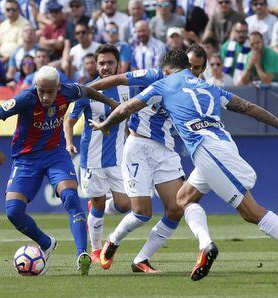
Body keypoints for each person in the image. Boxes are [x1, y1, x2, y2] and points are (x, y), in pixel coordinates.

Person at [89, 49, 278, 284]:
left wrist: (105, 124)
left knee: (251, 212)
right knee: (184, 199)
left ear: (167, 69)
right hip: (220, 144)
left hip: (208, 151)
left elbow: (126, 108)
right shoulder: (210, 87)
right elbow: (248, 107)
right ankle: (205, 246)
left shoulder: (164, 83)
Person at [0, 65, 119, 276]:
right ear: (36, 86)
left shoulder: (69, 91)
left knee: (71, 198)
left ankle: (82, 254)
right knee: (13, 212)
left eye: (50, 91)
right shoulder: (25, 99)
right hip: (26, 159)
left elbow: (88, 90)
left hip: (55, 154)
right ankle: (46, 243)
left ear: (58, 87)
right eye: (41, 91)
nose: (45, 97)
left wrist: (111, 103)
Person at [87, 44, 207, 273]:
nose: (192, 72)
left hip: (165, 150)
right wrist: (83, 89)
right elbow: (117, 79)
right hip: (139, 146)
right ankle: (112, 242)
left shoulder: (197, 88)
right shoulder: (154, 75)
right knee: (142, 212)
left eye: (197, 68)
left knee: (175, 208)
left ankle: (141, 259)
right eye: (189, 66)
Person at [64, 45, 132, 264]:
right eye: (101, 63)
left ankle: (97, 207)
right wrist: (68, 142)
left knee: (125, 205)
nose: (105, 67)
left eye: (110, 62)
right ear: (96, 65)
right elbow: (70, 119)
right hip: (92, 159)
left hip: (119, 158)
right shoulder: (87, 90)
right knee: (99, 205)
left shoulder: (127, 88)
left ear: (118, 64)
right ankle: (96, 250)